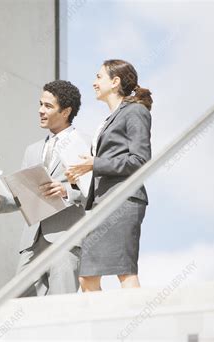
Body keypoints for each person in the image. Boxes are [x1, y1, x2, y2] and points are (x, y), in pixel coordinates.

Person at [0, 80, 87, 296]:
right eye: (40, 104)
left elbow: (96, 192)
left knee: (61, 309)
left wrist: (67, 191)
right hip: (32, 243)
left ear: (66, 111)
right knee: (16, 303)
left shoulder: (85, 144)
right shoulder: (32, 150)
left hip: (65, 239)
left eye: (48, 106)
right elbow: (25, 196)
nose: (40, 110)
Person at [66, 59, 152, 292]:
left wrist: (96, 164)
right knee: (87, 278)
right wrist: (83, 174)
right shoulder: (108, 119)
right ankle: (105, 327)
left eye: (99, 77)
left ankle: (136, 322)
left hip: (123, 201)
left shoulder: (135, 111)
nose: (94, 83)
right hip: (102, 204)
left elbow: (140, 160)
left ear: (115, 82)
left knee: (125, 272)